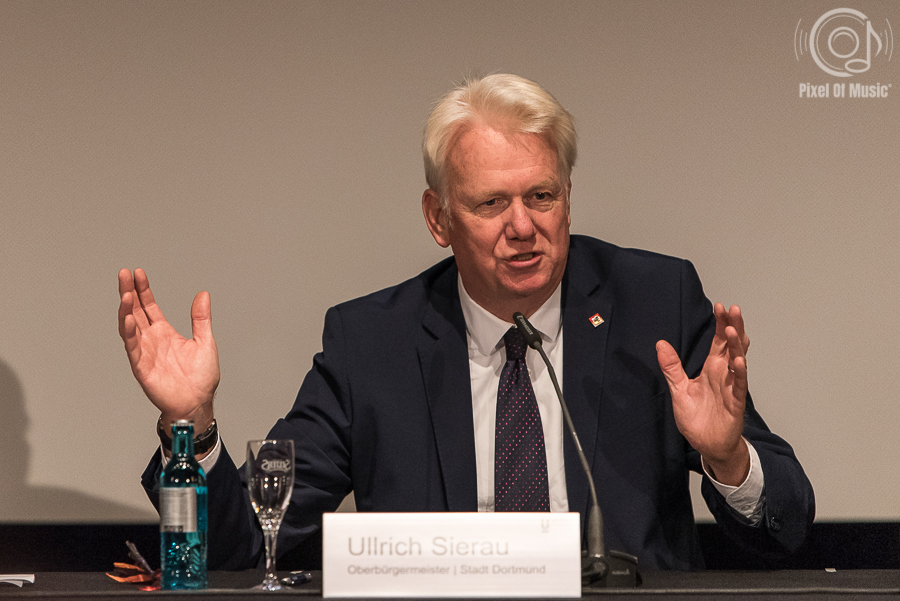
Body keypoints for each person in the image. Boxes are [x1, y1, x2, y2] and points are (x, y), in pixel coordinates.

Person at [118, 74, 814, 571]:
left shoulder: (654, 304)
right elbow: (241, 550)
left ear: (569, 199)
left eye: (542, 196)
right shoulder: (372, 345)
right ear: (438, 219)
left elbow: (786, 530)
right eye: (491, 203)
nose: (523, 226)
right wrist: (192, 427)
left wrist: (728, 458)